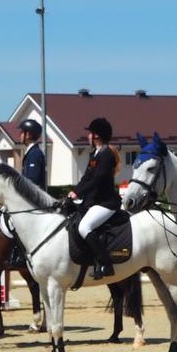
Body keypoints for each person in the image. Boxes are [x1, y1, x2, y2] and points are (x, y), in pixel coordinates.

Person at [66, 117, 120, 279]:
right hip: (94, 202)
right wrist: (73, 192)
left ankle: (106, 264)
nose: (88, 136)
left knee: (85, 227)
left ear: (96, 136)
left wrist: (79, 193)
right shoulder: (95, 154)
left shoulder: (107, 155)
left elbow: (97, 179)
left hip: (106, 203)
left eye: (90, 133)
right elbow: (86, 178)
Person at [19, 119, 47, 188]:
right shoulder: (31, 152)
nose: (20, 135)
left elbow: (33, 180)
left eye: (22, 132)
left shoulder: (34, 154)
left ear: (28, 135)